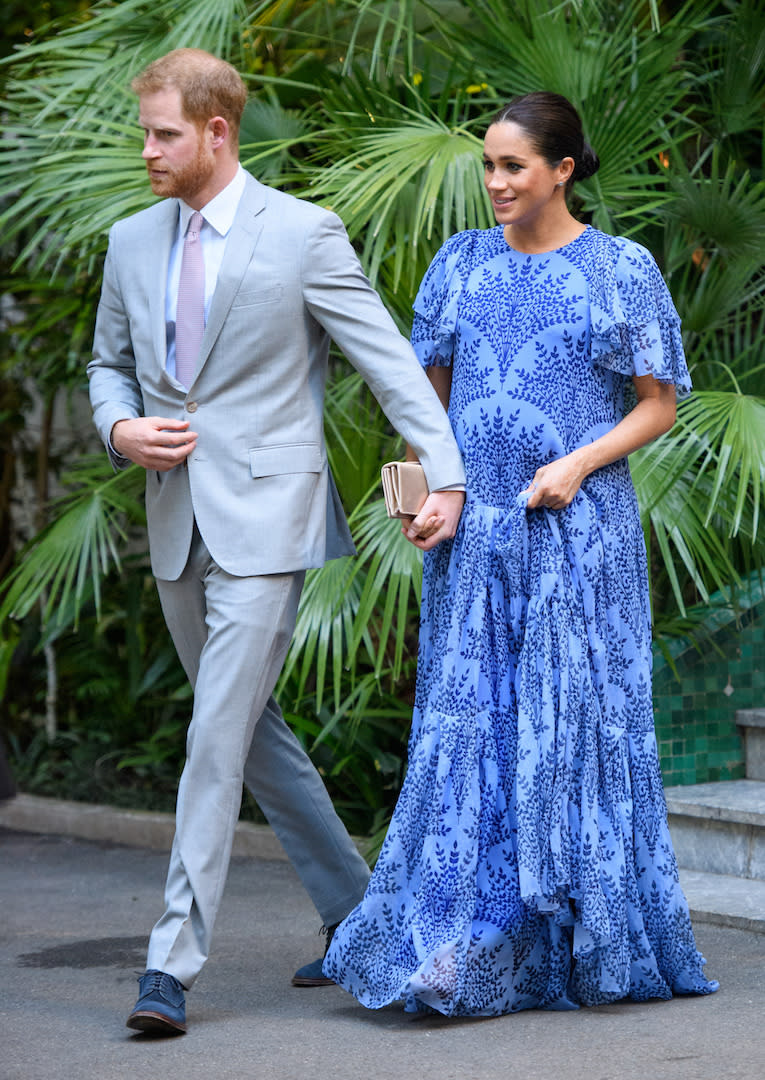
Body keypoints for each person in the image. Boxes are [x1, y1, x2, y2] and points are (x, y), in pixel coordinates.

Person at [87, 47, 465, 1035]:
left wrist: (445, 477)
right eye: (146, 131)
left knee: (215, 736)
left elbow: (387, 365)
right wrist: (119, 428)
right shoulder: (130, 240)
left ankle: (169, 965)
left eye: (163, 133)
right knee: (250, 733)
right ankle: (358, 912)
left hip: (271, 524)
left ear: (218, 131)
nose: (147, 151)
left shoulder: (303, 234)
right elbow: (106, 366)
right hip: (174, 517)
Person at [323, 92, 719, 1015]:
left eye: (513, 167)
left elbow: (658, 403)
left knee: (575, 735)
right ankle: (464, 940)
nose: (495, 183)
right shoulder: (457, 265)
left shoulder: (618, 268)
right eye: (488, 166)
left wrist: (576, 464)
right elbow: (425, 410)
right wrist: (422, 497)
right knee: (471, 735)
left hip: (580, 540)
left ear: (562, 170)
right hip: (474, 543)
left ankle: (585, 940)